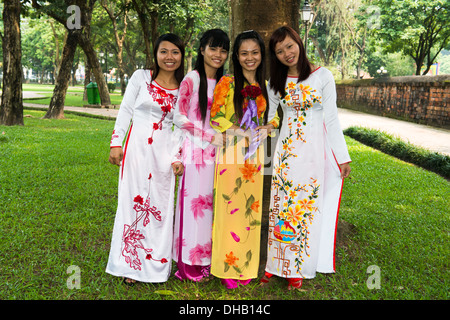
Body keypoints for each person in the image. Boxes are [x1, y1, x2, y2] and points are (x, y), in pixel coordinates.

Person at [261, 26, 351, 290]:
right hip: (286, 154)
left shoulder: (322, 76)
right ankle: (275, 265)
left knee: (304, 210)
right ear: (275, 56)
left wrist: (342, 157)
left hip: (314, 154)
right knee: (281, 208)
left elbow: (332, 119)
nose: (287, 53)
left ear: (298, 43)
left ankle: (297, 268)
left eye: (289, 46)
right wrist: (267, 125)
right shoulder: (275, 84)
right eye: (279, 51)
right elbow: (272, 119)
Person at [106, 33, 185, 285]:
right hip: (136, 149)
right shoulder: (141, 77)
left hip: (163, 154)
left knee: (159, 207)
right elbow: (126, 110)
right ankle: (130, 266)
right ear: (156, 54)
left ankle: (155, 266)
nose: (169, 57)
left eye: (175, 52)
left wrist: (176, 156)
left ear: (182, 56)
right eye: (164, 51)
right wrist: (116, 143)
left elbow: (182, 127)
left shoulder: (184, 88)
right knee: (133, 201)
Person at [209, 30, 280, 289]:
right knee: (229, 208)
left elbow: (275, 117)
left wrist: (268, 127)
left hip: (257, 155)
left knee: (250, 210)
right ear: (236, 57)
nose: (250, 58)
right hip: (232, 149)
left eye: (255, 52)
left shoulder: (268, 86)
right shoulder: (226, 83)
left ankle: (247, 265)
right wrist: (241, 133)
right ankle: (226, 266)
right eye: (244, 53)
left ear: (262, 55)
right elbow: (216, 117)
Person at [172, 29, 230, 282]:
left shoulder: (226, 82)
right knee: (196, 209)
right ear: (202, 50)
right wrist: (207, 136)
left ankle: (212, 261)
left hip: (222, 154)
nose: (218, 54)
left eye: (223, 49)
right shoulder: (192, 79)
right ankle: (190, 266)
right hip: (196, 152)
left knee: (215, 208)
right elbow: (179, 117)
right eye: (213, 48)